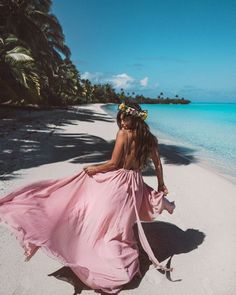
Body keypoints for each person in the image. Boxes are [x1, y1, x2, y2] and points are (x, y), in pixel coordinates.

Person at [0, 101, 175, 294]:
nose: (122, 122)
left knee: (102, 220)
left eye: (124, 118)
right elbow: (158, 164)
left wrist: (93, 169)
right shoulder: (148, 137)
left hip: (119, 183)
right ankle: (119, 259)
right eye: (121, 118)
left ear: (131, 117)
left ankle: (103, 262)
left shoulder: (123, 134)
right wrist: (160, 184)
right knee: (120, 226)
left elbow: (114, 164)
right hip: (136, 184)